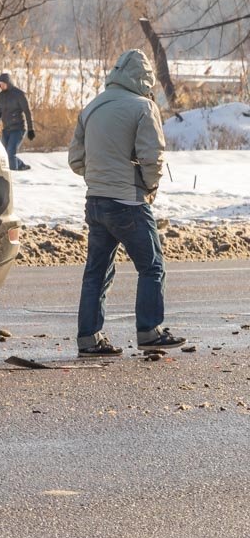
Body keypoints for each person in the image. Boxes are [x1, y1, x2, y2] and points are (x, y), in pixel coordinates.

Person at [67, 49, 186, 357]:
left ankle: (89, 339)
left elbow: (75, 159)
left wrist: (99, 177)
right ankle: (150, 331)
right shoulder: (143, 107)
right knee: (152, 266)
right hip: (128, 202)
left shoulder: (91, 107)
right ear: (144, 78)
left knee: (96, 271)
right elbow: (152, 157)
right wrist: (147, 185)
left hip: (95, 201)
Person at [0, 73, 34, 171]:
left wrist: (31, 129)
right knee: (5, 154)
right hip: (6, 129)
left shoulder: (19, 94)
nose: (1, 86)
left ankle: (14, 175)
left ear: (8, 82)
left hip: (18, 129)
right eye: (0, 84)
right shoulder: (0, 96)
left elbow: (27, 112)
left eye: (3, 83)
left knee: (10, 153)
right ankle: (21, 165)